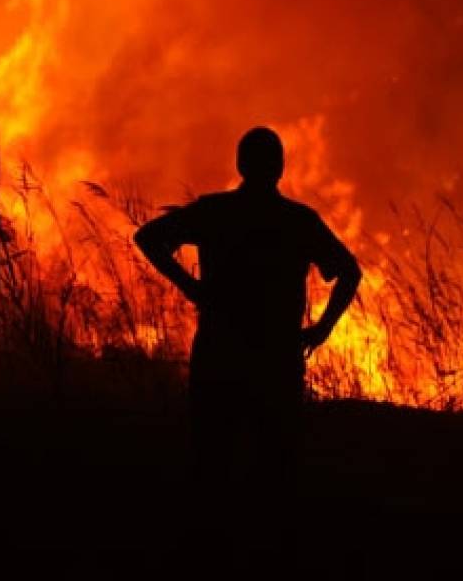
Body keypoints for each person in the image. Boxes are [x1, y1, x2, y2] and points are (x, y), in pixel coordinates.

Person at [134, 126, 361, 505]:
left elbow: (148, 237)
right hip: (276, 361)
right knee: (274, 469)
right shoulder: (297, 220)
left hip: (219, 354)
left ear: (241, 165)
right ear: (280, 168)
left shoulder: (215, 212)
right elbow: (349, 271)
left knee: (211, 463)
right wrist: (321, 328)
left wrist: (190, 287)